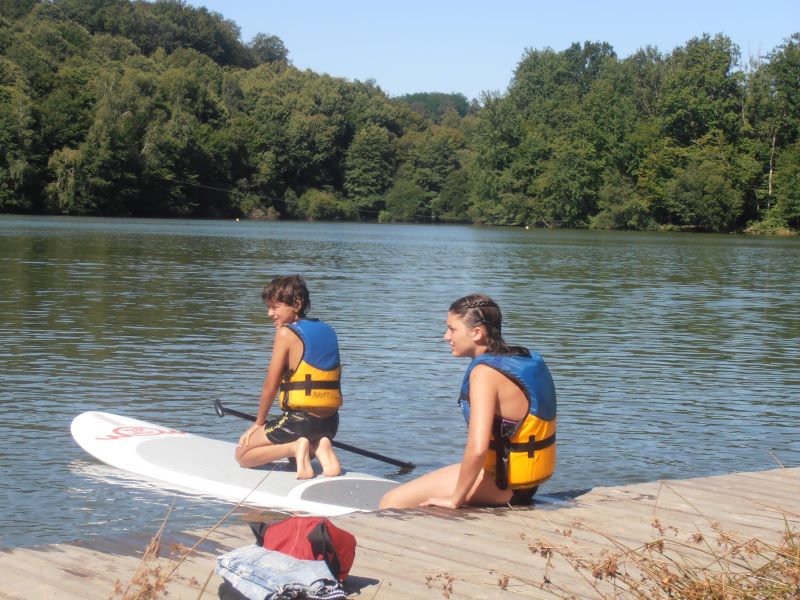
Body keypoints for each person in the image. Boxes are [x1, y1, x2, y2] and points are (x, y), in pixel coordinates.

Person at [379, 294, 556, 509]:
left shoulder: (483, 374)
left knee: (391, 502)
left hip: (502, 485)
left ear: (477, 333)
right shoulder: (523, 359)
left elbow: (478, 448)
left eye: (452, 329)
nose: (446, 336)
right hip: (524, 483)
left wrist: (456, 498)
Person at [236, 275, 342, 479]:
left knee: (243, 454)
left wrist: (258, 423)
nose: (269, 313)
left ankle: (294, 447)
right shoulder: (329, 330)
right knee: (301, 451)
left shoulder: (286, 333)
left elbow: (271, 385)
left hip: (300, 421)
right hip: (330, 423)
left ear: (296, 304)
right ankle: (320, 445)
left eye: (275, 307)